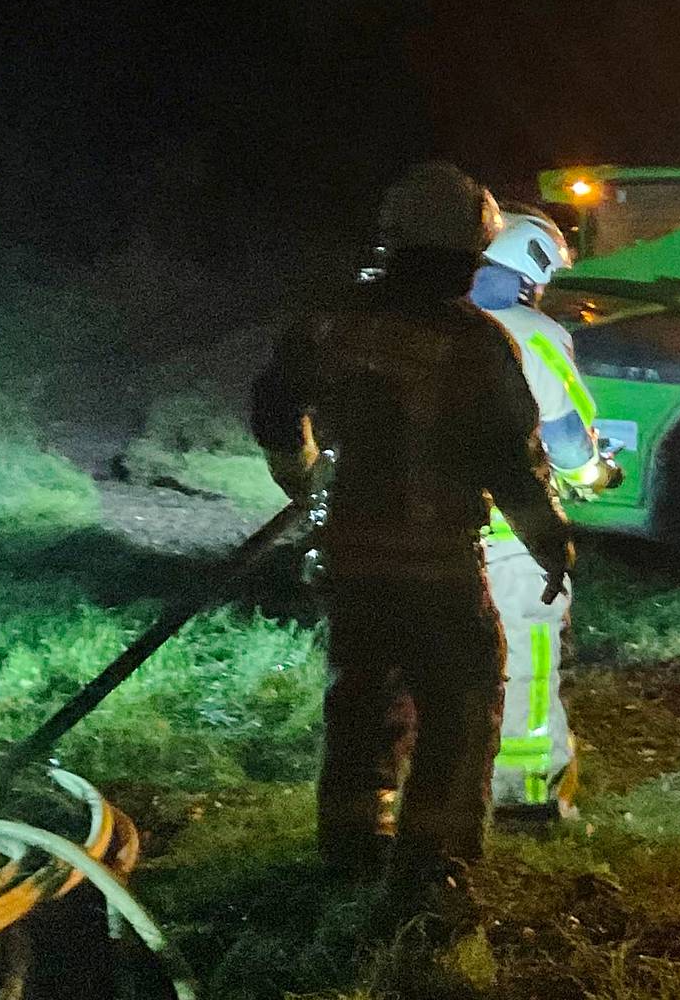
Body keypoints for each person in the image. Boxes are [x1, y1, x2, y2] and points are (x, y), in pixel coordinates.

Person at [251, 162, 573, 915]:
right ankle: (433, 866)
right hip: (438, 570)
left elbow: (273, 405)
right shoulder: (473, 342)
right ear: (466, 252)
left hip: (353, 562)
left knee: (361, 704)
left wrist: (303, 477)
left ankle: (350, 849)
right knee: (459, 710)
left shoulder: (332, 324)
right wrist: (549, 542)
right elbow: (510, 457)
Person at [471, 209, 605, 825]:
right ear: (535, 269)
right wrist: (595, 475)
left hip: (425, 531)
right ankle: (526, 794)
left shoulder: (429, 324)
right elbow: (568, 439)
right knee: (525, 658)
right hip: (510, 538)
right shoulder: (532, 333)